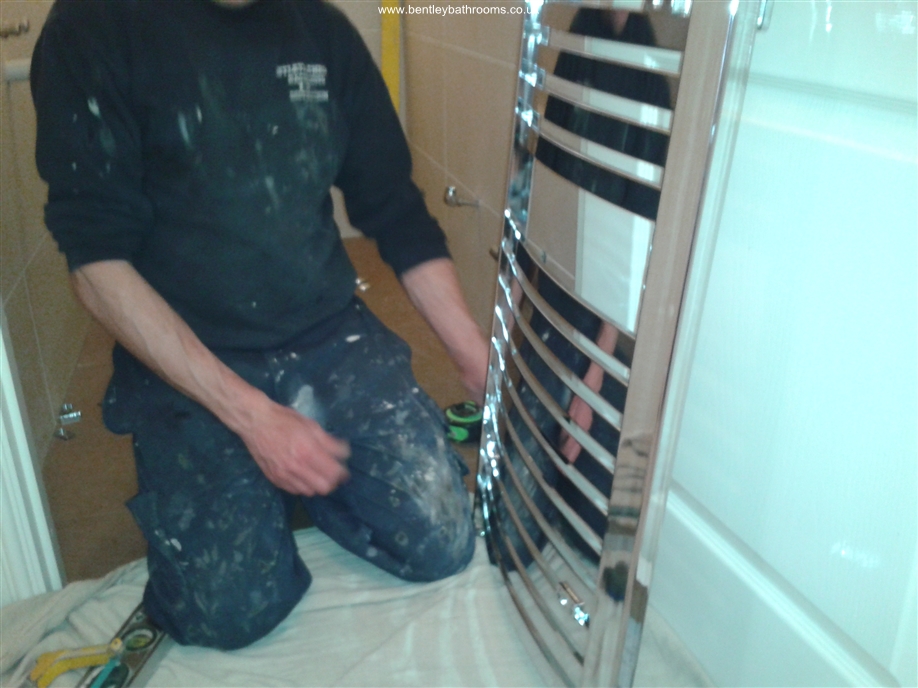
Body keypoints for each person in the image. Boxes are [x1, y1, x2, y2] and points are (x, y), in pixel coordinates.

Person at [30, 0, 490, 650]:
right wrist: (252, 418)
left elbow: (395, 211)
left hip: (328, 333)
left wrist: (475, 357)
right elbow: (95, 265)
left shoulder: (321, 32)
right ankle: (259, 480)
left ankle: (308, 483)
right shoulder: (95, 27)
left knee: (442, 539)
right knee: (232, 612)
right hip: (191, 356)